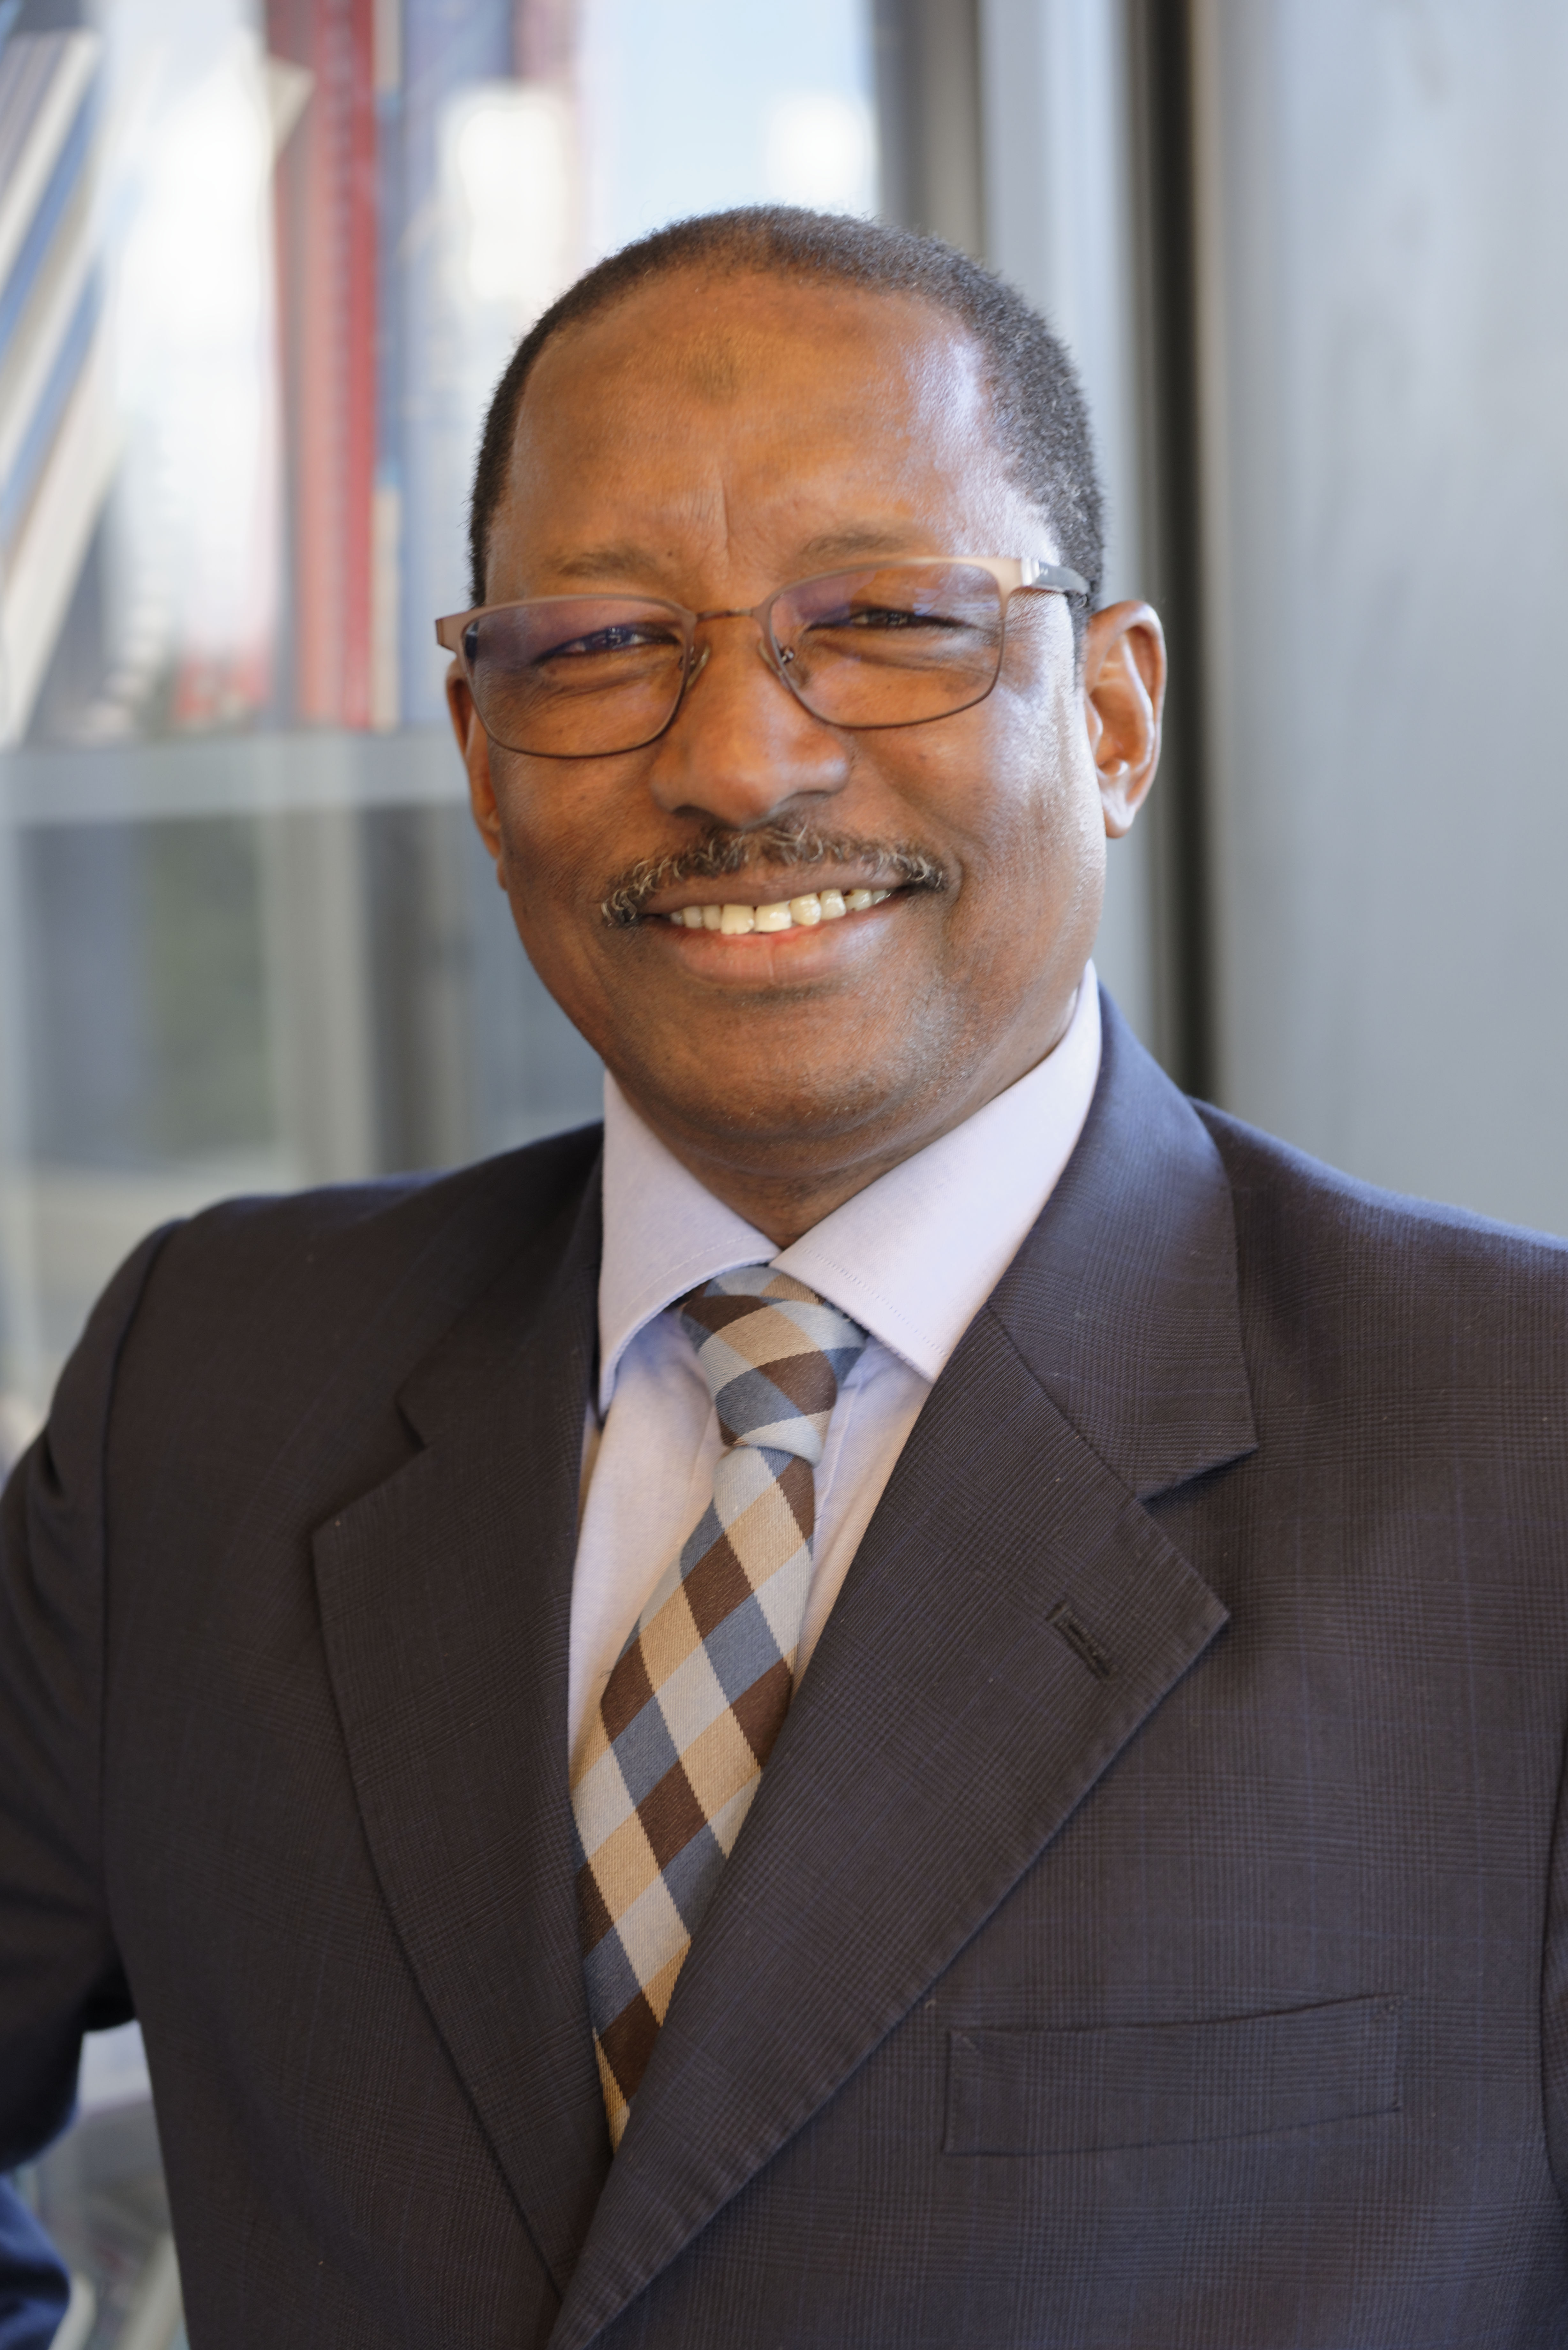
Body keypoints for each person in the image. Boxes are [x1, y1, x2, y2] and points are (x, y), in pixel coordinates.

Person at [3, 204, 1567, 2349]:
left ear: (1115, 718)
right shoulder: (207, 1387)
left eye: (891, 619)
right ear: (478, 753)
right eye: (597, 645)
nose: (739, 762)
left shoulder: (1524, 1461)